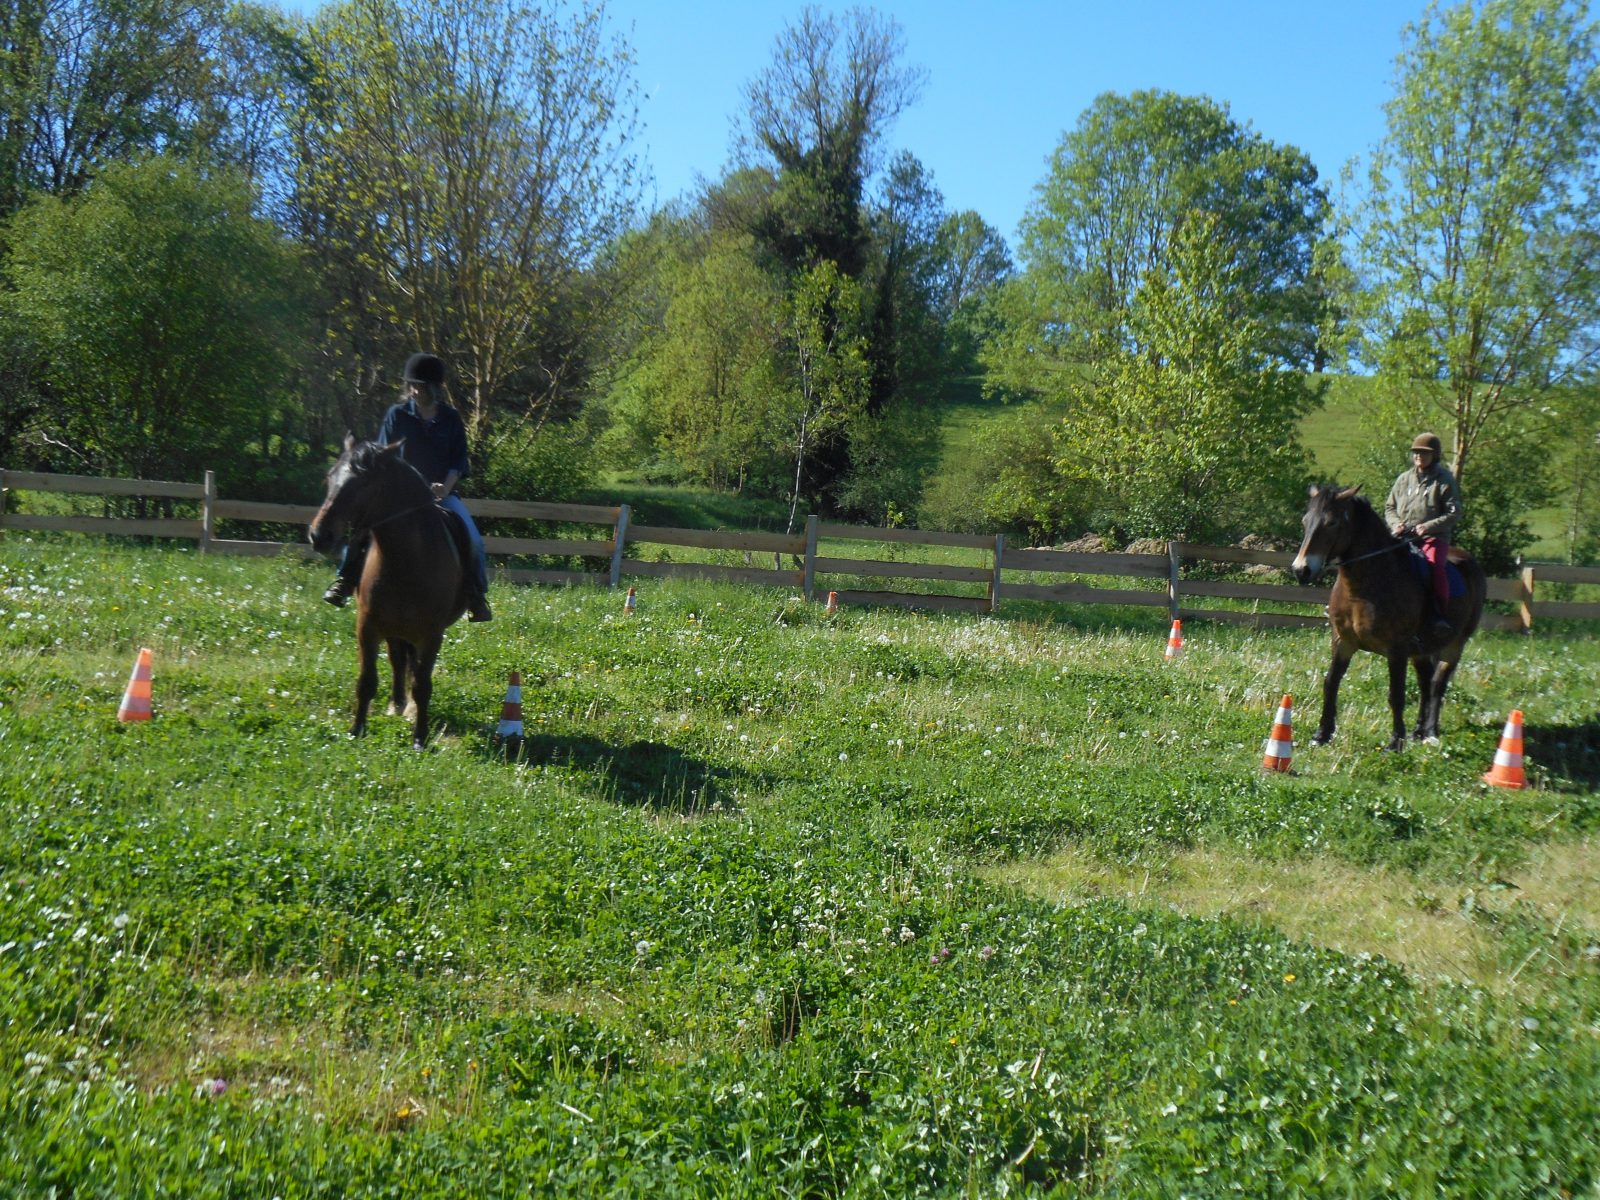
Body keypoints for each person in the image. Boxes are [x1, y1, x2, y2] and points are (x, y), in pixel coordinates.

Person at [324, 352, 492, 622]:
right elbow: (381, 456)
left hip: (440, 495)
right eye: (412, 384)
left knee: (473, 538)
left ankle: (476, 595)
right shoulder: (397, 415)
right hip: (399, 497)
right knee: (363, 530)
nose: (415, 390)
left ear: (434, 388)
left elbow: (458, 461)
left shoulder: (450, 419)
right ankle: (344, 581)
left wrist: (445, 488)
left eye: (421, 385)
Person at [1384, 431, 1460, 641]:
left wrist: (1427, 527)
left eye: (1424, 453)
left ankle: (1438, 615)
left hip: (1433, 538)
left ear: (1434, 455)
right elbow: (1390, 507)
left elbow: (1454, 513)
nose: (1419, 456)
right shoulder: (1404, 479)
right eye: (1416, 452)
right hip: (1403, 536)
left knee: (1434, 566)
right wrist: (1394, 524)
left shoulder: (1444, 480)